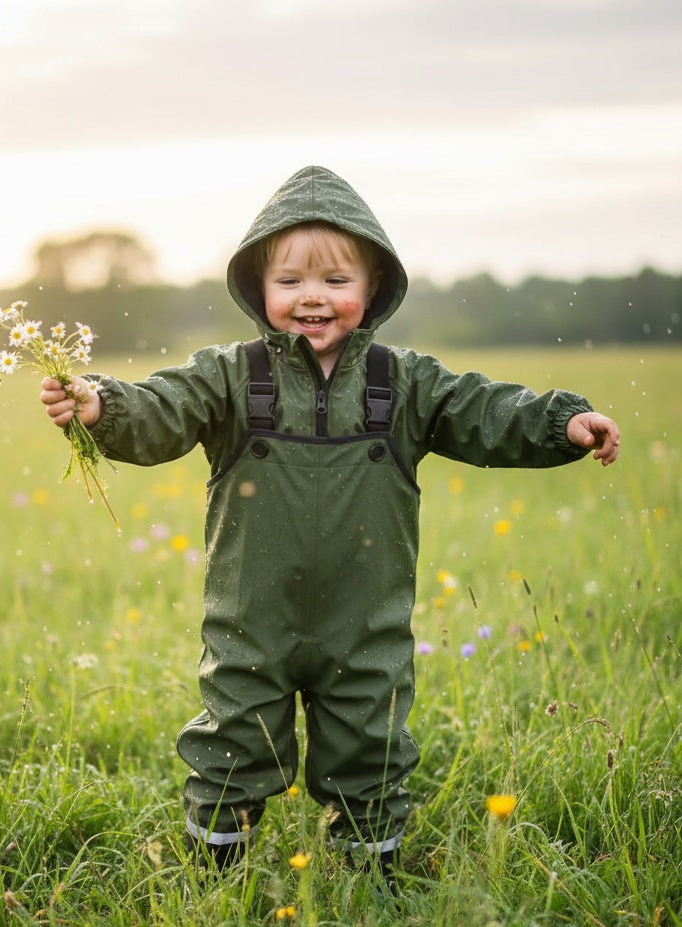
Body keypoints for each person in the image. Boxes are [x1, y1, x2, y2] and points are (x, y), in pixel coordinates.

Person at [40, 165, 620, 874]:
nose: (312, 297)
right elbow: (163, 408)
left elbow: (485, 411)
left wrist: (563, 423)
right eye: (290, 282)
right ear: (260, 290)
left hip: (364, 622)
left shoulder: (402, 382)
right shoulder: (229, 375)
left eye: (336, 282)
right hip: (251, 619)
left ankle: (368, 870)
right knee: (233, 741)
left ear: (372, 288)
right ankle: (219, 866)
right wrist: (103, 406)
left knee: (370, 744)